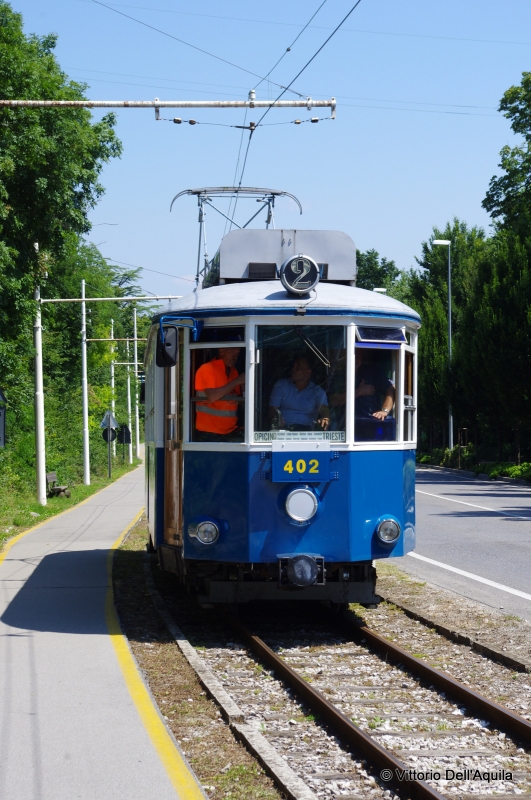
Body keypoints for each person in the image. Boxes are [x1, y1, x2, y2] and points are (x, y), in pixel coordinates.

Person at [195, 347, 245, 440]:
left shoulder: (234, 371)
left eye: (237, 353)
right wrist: (237, 381)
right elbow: (212, 396)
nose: (235, 356)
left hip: (230, 431)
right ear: (221, 351)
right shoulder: (207, 369)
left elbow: (238, 400)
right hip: (209, 432)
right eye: (232, 352)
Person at [269, 356, 329, 431]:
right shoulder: (281, 385)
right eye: (293, 366)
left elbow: (323, 409)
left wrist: (325, 418)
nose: (293, 369)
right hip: (283, 431)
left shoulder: (317, 391)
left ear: (308, 373)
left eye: (298, 367)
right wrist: (277, 418)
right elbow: (272, 410)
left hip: (307, 432)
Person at [355, 348, 395, 423]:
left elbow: (391, 388)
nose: (356, 359)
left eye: (359, 356)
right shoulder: (339, 375)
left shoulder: (371, 373)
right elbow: (333, 400)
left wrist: (384, 411)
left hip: (371, 423)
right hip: (344, 427)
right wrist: (358, 391)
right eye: (354, 355)